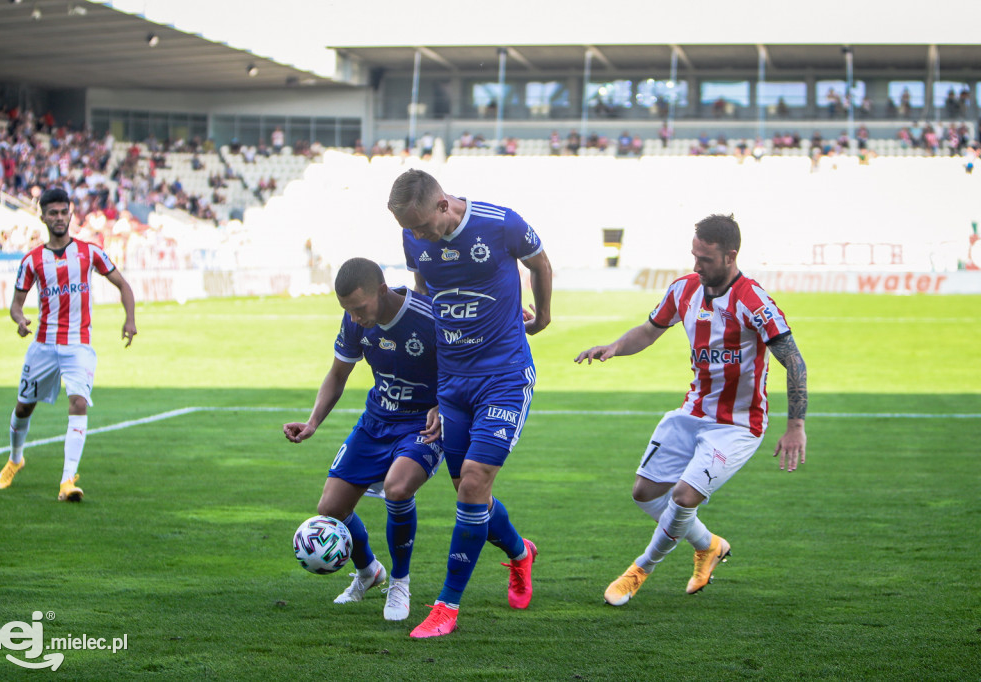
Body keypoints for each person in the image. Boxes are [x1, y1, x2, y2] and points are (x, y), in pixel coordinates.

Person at [574, 213, 807, 606]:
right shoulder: (683, 289)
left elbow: (795, 361)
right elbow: (649, 330)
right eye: (694, 256)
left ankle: (640, 570)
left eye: (706, 259)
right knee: (645, 493)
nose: (697, 265)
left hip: (737, 425)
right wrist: (614, 346)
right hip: (692, 413)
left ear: (731, 256)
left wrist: (795, 425)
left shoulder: (754, 301)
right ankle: (709, 546)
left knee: (684, 497)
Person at [387, 168, 553, 638]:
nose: (417, 235)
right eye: (408, 229)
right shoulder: (413, 238)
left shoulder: (500, 224)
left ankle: (447, 606)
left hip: (502, 377)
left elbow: (541, 263)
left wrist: (541, 318)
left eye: (420, 225)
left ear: (443, 204)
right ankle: (520, 552)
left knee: (475, 482)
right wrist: (434, 390)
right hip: (453, 384)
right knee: (467, 490)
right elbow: (424, 300)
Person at [283, 257, 444, 622]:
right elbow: (338, 375)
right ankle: (369, 570)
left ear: (382, 290)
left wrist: (443, 404)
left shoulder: (429, 317)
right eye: (347, 311)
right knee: (330, 509)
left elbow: (465, 366)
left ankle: (400, 583)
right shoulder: (356, 320)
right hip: (376, 421)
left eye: (359, 308)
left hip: (423, 424)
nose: (354, 318)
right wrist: (312, 423)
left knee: (398, 488)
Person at [0, 187, 137, 501]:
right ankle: (16, 460)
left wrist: (130, 319)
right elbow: (16, 304)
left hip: (78, 346)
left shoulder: (90, 252)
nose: (59, 218)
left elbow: (122, 284)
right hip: (43, 345)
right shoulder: (32, 260)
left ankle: (67, 480)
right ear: (43, 217)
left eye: (63, 212)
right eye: (52, 213)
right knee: (23, 406)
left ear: (71, 214)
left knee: (79, 403)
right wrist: (19, 320)